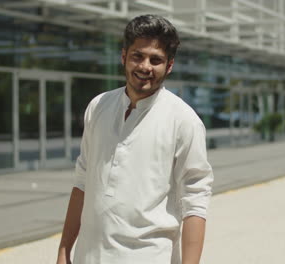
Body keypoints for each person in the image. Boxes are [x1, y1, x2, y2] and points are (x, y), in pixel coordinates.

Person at [56, 14, 213, 264]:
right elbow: (82, 181)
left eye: (156, 59)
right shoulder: (98, 107)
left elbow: (195, 201)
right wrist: (64, 250)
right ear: (123, 57)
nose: (145, 66)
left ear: (169, 66)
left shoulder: (184, 120)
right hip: (90, 256)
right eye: (137, 56)